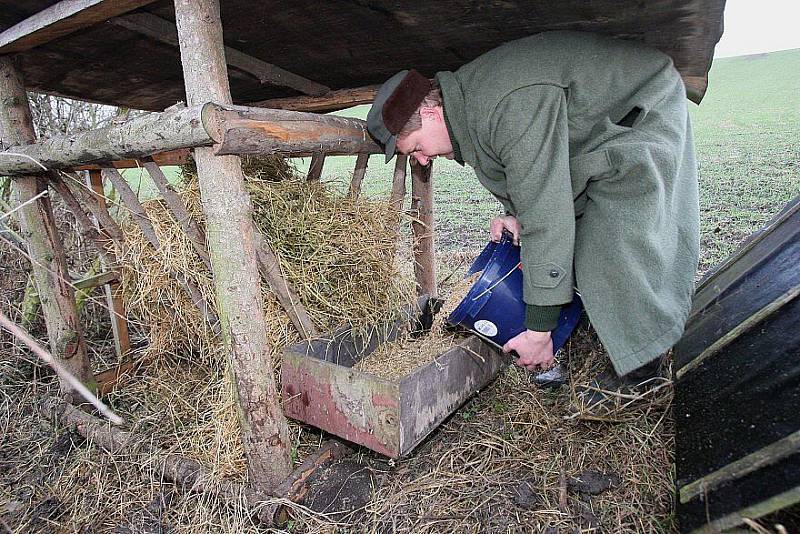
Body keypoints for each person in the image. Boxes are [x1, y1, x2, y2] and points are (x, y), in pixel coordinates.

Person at [366, 31, 700, 405]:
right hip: (592, 135)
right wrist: (514, 214)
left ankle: (642, 374)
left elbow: (546, 213)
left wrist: (539, 330)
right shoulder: (471, 108)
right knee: (570, 235)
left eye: (415, 148)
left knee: (611, 239)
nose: (422, 160)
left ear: (429, 112)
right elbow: (528, 173)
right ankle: (602, 327)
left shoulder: (506, 103)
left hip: (638, 113)